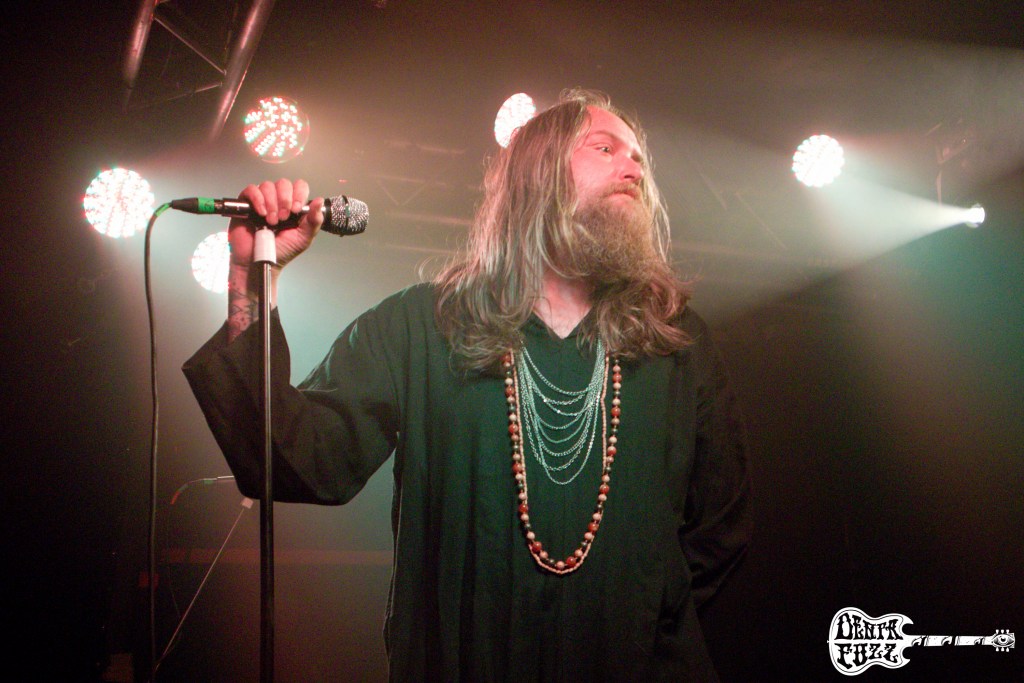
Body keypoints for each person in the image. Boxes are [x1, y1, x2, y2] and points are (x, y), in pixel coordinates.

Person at [184, 88, 750, 681]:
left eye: (637, 157)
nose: (632, 168)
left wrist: (643, 619)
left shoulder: (676, 342)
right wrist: (251, 276)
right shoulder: (422, 324)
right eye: (605, 148)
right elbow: (292, 459)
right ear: (537, 175)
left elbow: (722, 527)